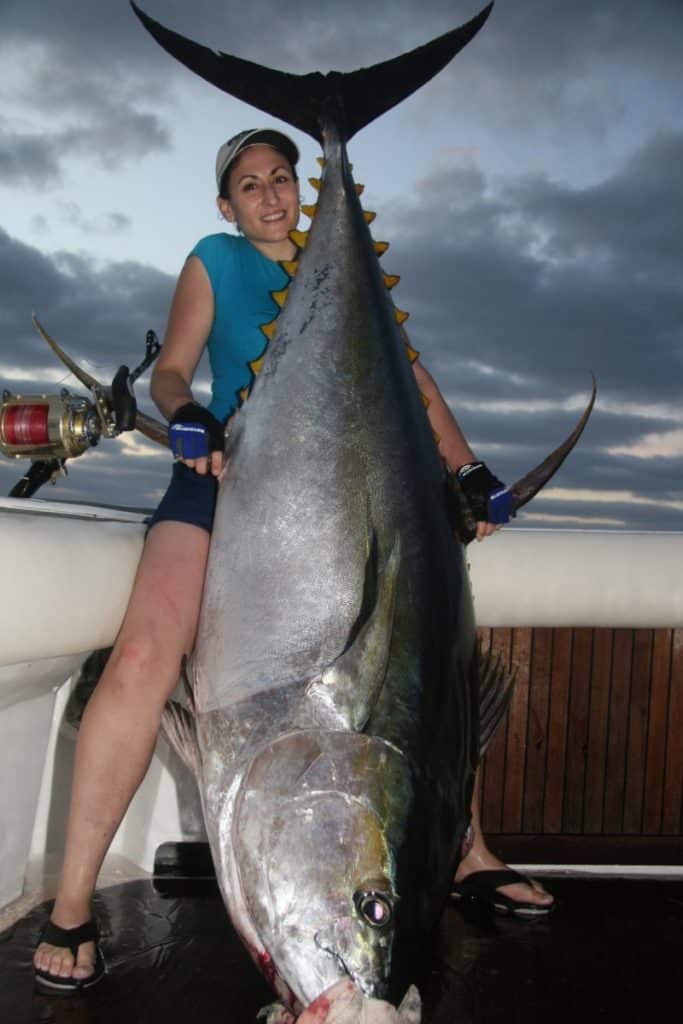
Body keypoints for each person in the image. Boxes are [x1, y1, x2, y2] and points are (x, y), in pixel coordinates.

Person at [33, 128, 551, 993]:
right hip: (229, 473)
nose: (269, 195)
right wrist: (186, 413)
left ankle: (465, 853)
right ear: (225, 204)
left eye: (282, 178)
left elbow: (411, 383)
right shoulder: (216, 261)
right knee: (144, 657)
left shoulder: (345, 277)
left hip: (349, 491)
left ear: (303, 191)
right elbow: (169, 373)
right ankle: (74, 901)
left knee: (427, 651)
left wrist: (466, 470)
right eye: (249, 184)